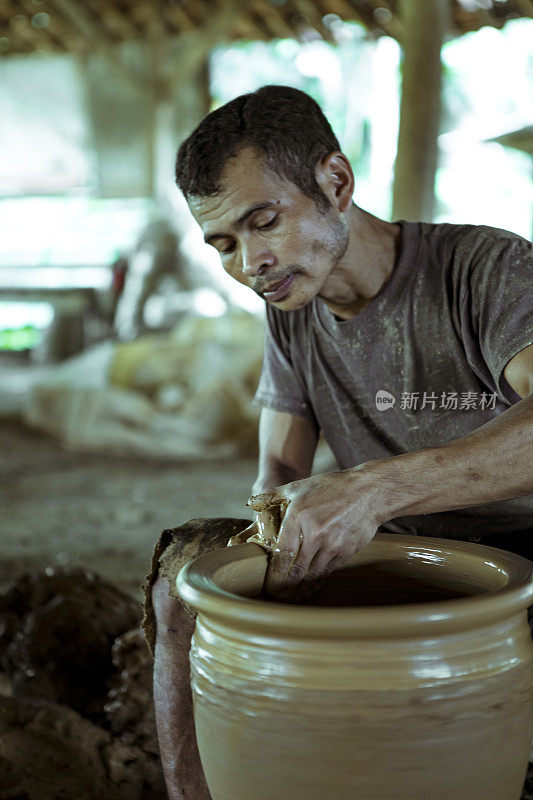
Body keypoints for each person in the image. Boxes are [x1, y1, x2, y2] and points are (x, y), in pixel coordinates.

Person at [145, 85, 533, 800]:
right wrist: (273, 535)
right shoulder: (292, 311)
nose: (249, 263)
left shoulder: (483, 270)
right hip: (391, 546)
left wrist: (373, 487)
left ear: (336, 182)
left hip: (516, 560)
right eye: (224, 245)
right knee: (183, 585)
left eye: (263, 222)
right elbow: (279, 468)